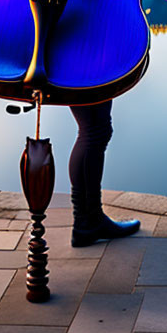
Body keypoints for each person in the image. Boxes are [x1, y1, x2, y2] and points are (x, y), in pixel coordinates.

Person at [68, 101, 140, 247]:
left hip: (77, 76)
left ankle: (85, 221)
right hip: (84, 77)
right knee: (94, 131)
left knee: (93, 131)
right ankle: (89, 222)